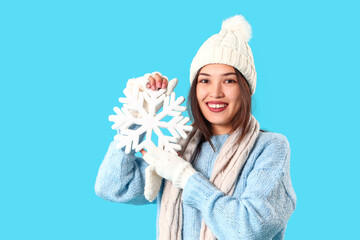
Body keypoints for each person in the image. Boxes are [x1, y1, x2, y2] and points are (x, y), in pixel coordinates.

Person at [95, 15, 296, 240]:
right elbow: (112, 187)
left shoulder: (269, 148)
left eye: (229, 81)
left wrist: (186, 177)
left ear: (245, 89)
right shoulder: (178, 145)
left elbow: (248, 229)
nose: (216, 92)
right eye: (205, 80)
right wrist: (137, 116)